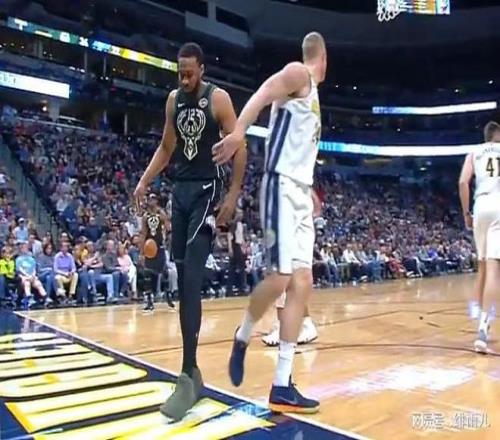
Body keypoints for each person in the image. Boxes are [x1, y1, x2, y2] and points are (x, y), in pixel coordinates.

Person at [214, 32, 326, 413]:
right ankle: (243, 334)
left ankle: (282, 384)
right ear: (322, 57)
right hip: (279, 185)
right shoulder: (299, 73)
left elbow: (298, 149)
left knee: (303, 281)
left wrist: (310, 191)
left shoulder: (313, 97)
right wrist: (238, 132)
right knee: (280, 278)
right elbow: (263, 92)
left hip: (299, 191)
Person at [133, 42, 246, 420]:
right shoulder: (173, 101)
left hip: (206, 192)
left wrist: (233, 193)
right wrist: (144, 181)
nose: (183, 79)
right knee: (183, 281)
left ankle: (187, 373)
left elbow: (240, 145)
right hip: (179, 193)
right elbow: (167, 147)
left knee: (192, 279)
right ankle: (192, 375)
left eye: (189, 73)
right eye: (179, 73)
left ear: (202, 70)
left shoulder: (219, 99)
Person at [459, 121, 500, 353]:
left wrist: (466, 213)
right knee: (494, 269)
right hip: (498, 205)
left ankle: (481, 321)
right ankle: (483, 327)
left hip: (480, 205)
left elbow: (463, 182)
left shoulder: (474, 152)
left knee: (482, 267)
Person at [138, 193, 170, 312]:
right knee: (148, 274)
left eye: (153, 199)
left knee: (165, 272)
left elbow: (168, 228)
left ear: (156, 200)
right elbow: (143, 234)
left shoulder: (161, 213)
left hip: (159, 246)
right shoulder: (145, 216)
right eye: (149, 199)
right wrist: (141, 252)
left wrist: (164, 218)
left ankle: (167, 295)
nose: (150, 201)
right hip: (149, 247)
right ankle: (149, 301)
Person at [16, 242, 50, 307]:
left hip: (31, 276)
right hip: (23, 277)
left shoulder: (31, 259)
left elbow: (34, 269)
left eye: (26, 248)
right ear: (21, 249)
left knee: (38, 284)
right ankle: (29, 299)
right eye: (24, 248)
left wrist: (33, 276)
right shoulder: (18, 259)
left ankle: (45, 298)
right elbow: (19, 269)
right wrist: (27, 276)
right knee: (27, 283)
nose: (25, 249)